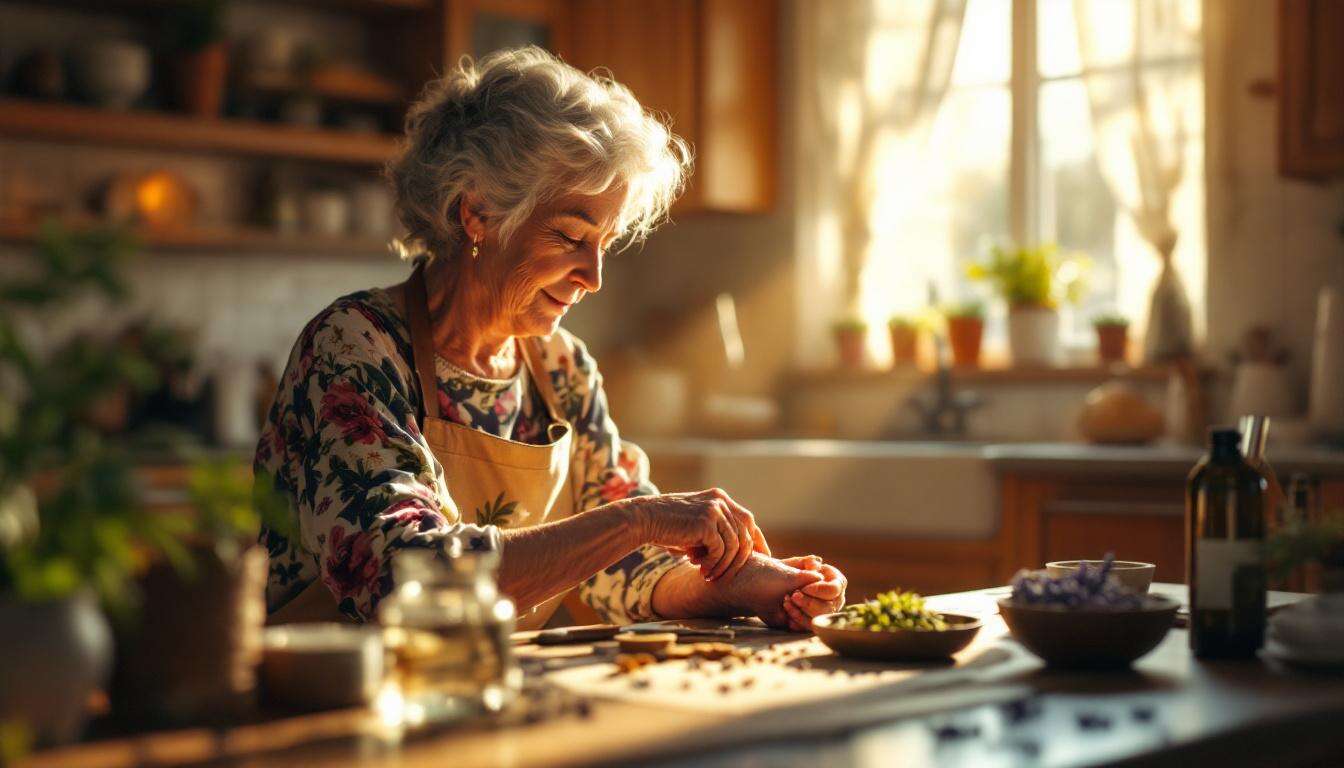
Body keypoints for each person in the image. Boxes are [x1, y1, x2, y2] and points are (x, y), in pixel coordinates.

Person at [255, 46, 845, 631]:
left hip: (485, 695)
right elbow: (402, 577)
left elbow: (627, 573)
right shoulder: (357, 347)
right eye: (570, 237)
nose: (593, 278)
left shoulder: (561, 368)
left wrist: (743, 584)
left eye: (604, 245)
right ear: (477, 213)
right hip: (332, 706)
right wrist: (637, 519)